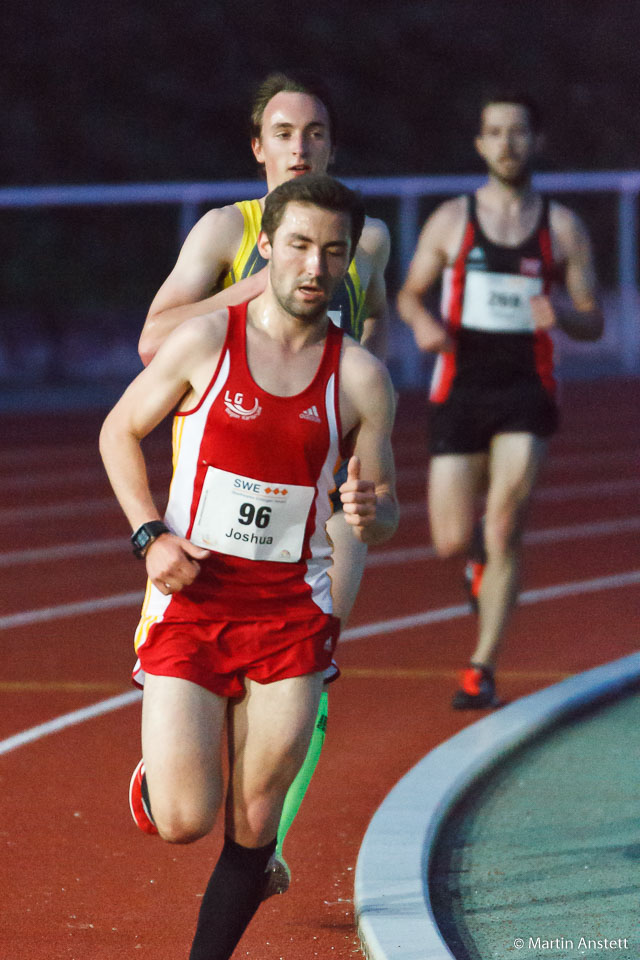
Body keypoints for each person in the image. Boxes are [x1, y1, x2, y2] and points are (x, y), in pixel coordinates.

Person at [99, 173, 398, 960]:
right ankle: (160, 780)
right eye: (299, 245)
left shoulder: (362, 378)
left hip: (291, 613)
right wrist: (150, 536)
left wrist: (376, 511)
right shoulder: (206, 342)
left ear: (347, 267)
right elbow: (117, 432)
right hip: (194, 598)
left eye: (333, 253)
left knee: (257, 824)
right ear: (267, 247)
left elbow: (385, 502)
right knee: (184, 820)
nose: (314, 266)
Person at [137, 70, 391, 893]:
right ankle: (180, 778)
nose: (299, 146)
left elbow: (372, 330)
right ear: (258, 147)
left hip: (317, 485)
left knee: (312, 668)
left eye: (315, 133)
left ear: (332, 145)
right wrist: (263, 284)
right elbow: (152, 342)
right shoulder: (224, 230)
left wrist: (364, 442)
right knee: (189, 798)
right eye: (283, 132)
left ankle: (263, 837)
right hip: (223, 480)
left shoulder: (368, 240)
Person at [397, 92, 602, 710]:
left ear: (537, 142)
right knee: (450, 537)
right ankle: (477, 563)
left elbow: (594, 320)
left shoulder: (562, 226)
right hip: (462, 384)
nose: (507, 144)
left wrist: (564, 313)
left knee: (507, 520)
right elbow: (409, 294)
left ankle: (480, 665)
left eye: (518, 132)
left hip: (526, 386)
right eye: (495, 132)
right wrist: (422, 325)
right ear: (480, 143)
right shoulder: (452, 220)